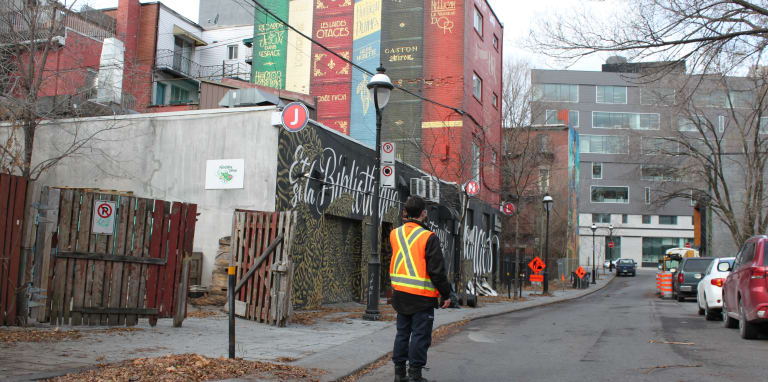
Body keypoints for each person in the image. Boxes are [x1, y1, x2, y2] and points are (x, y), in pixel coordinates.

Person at [390, 196, 453, 382]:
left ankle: (399, 374)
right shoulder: (428, 237)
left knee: (402, 333)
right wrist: (446, 294)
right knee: (420, 335)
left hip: (400, 293)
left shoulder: (395, 233)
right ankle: (415, 375)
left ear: (406, 212)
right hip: (421, 296)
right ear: (424, 213)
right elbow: (437, 271)